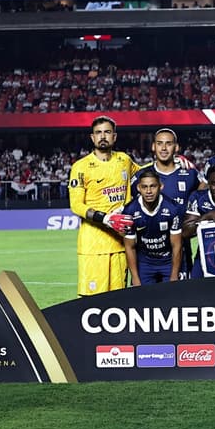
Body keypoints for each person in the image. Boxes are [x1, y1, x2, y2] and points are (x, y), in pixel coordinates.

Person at [68, 115, 138, 295]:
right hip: (93, 247)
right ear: (92, 138)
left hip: (120, 245)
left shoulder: (124, 160)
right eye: (98, 133)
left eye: (107, 132)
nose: (103, 136)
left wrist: (175, 161)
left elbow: (146, 173)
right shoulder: (80, 167)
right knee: (91, 302)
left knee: (118, 300)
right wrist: (105, 218)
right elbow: (76, 205)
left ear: (114, 136)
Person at [130, 128, 205, 279]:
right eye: (159, 143)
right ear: (153, 146)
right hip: (147, 254)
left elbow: (205, 193)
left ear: (176, 148)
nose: (164, 148)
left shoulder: (190, 174)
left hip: (180, 249)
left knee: (178, 298)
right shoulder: (140, 177)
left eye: (168, 144)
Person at [122, 169, 183, 286]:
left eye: (153, 186)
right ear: (139, 188)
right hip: (145, 262)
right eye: (144, 187)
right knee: (144, 300)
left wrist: (174, 275)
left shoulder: (173, 208)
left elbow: (177, 245)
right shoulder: (130, 211)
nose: (148, 191)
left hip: (168, 260)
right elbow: (130, 247)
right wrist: (135, 278)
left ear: (161, 186)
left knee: (172, 298)